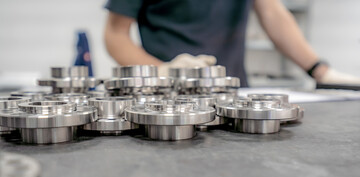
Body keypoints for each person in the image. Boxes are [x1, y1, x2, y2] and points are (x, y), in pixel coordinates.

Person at [104, 0, 360, 87]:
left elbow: (272, 13)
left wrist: (321, 71)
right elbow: (115, 35)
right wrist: (163, 71)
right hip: (168, 103)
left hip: (234, 98)